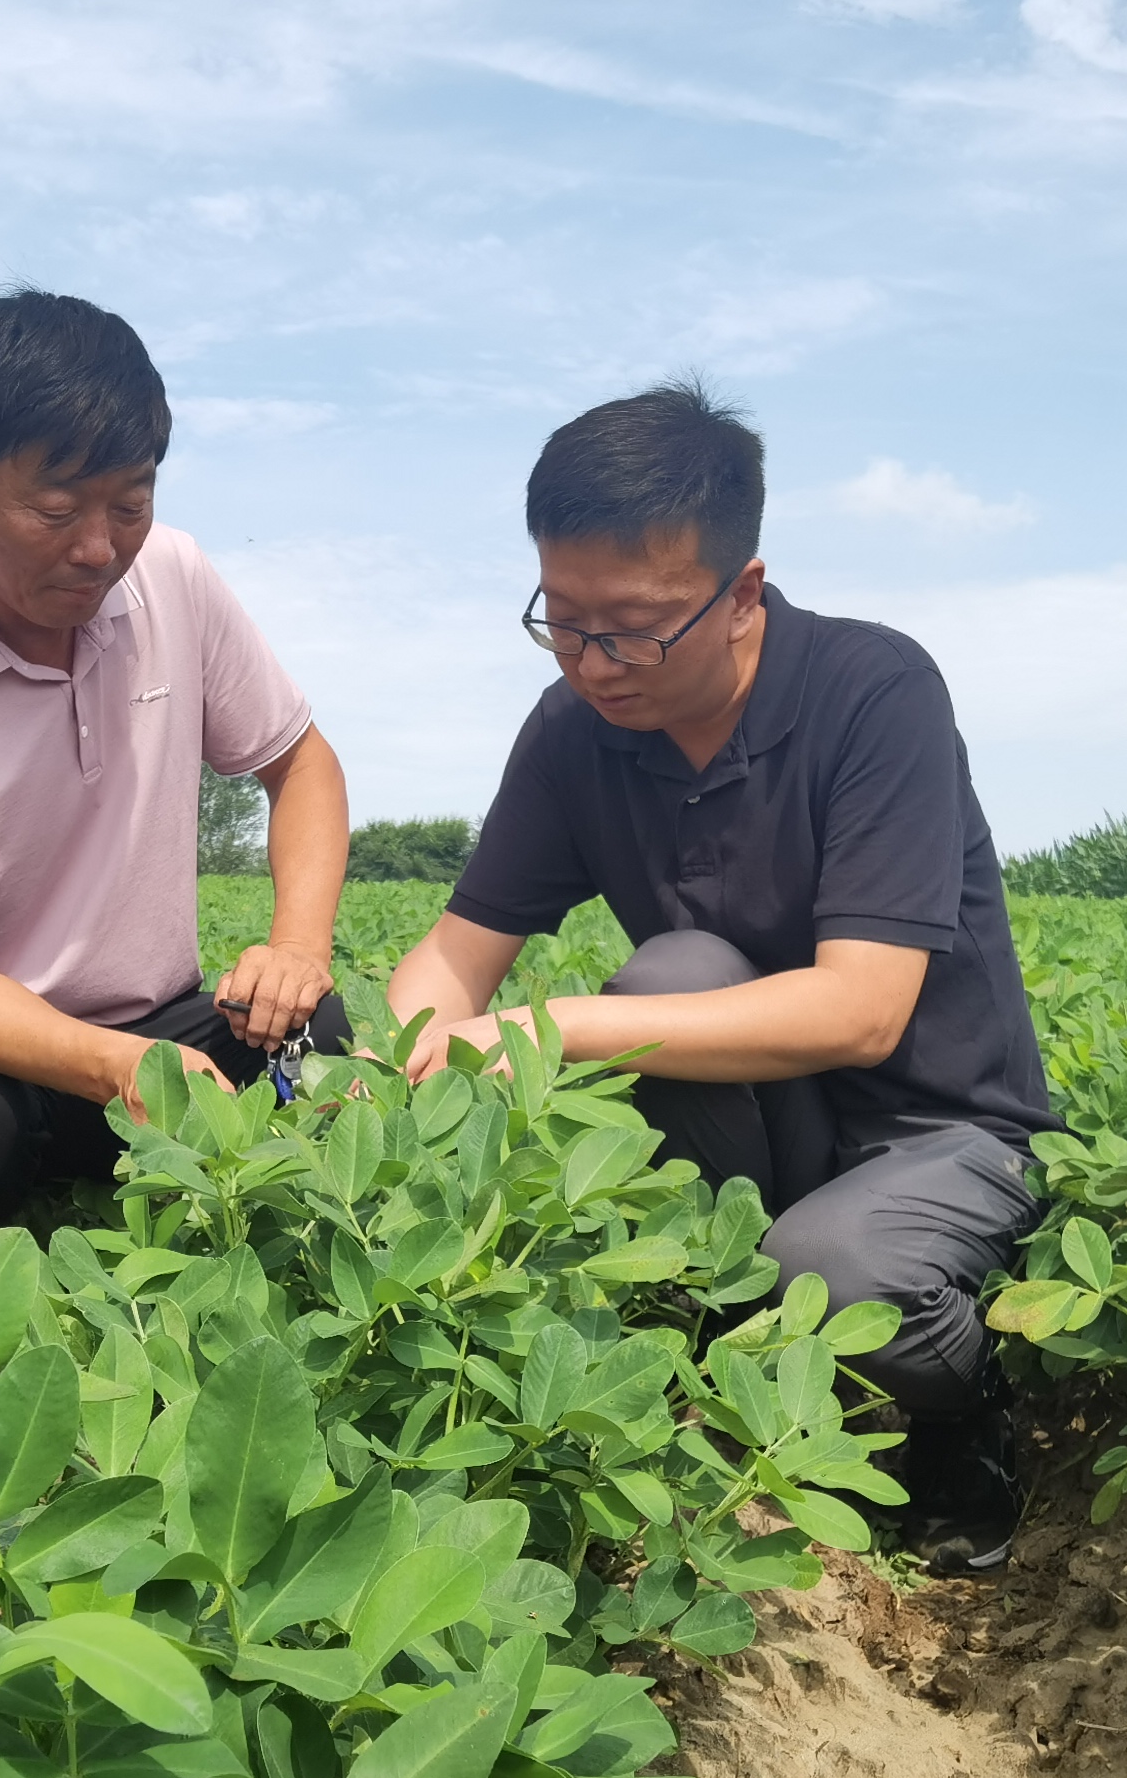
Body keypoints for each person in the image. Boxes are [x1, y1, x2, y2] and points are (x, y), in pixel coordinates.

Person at [384, 382, 1052, 1572]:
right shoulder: (574, 729)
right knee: (671, 977)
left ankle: (968, 1411)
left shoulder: (872, 692)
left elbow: (862, 1006)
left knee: (827, 1269)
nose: (594, 662)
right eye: (564, 619)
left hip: (937, 1130)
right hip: (768, 1130)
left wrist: (543, 1028)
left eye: (635, 626)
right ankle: (719, 1363)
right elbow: (452, 953)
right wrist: (398, 1073)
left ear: (742, 592)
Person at [0, 288, 351, 1243]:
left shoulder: (171, 577)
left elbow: (301, 765)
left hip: (151, 1025)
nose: (100, 550)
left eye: (129, 505)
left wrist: (296, 949)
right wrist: (114, 1071)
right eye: (55, 510)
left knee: (315, 1042)